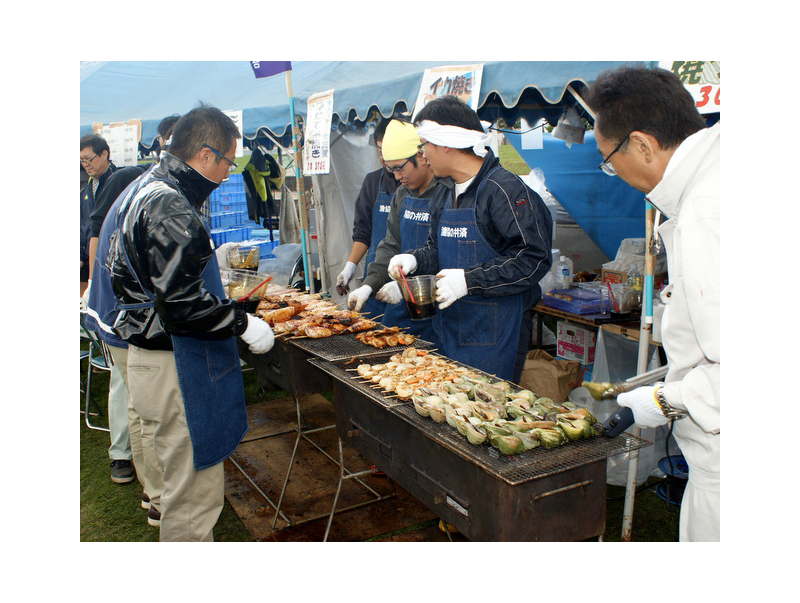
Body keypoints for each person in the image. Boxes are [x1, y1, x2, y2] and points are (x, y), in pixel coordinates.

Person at [108, 104, 275, 541]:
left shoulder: (147, 185)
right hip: (173, 365)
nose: (226, 174)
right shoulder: (170, 205)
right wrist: (242, 324)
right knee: (192, 501)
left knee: (173, 478)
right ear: (205, 155)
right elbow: (180, 309)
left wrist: (204, 262)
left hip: (147, 355)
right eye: (227, 162)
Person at [586, 66, 719, 542]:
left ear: (641, 145)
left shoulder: (708, 209)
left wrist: (663, 400)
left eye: (608, 159)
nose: (613, 172)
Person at [387, 96, 552, 383]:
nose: (423, 155)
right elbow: (436, 249)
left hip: (494, 334)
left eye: (425, 145)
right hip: (449, 327)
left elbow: (533, 258)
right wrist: (416, 258)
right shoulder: (444, 191)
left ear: (447, 144)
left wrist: (468, 281)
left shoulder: (503, 190)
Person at [82, 115, 181, 521]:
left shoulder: (134, 186)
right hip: (124, 321)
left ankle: (151, 493)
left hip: (109, 313)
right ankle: (161, 499)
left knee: (140, 409)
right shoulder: (149, 193)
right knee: (151, 411)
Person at [348, 119, 443, 348]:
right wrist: (368, 285)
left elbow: (445, 255)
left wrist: (406, 287)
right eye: (391, 170)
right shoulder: (402, 195)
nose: (396, 176)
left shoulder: (445, 193)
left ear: (421, 156)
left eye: (400, 168)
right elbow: (390, 246)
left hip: (438, 307)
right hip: (402, 305)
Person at [335, 118, 399, 318]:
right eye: (379, 151)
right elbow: (362, 232)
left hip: (404, 277)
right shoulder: (372, 182)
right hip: (376, 275)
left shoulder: (412, 185)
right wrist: (349, 268)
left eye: (387, 151)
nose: (384, 158)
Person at [80, 134, 116, 295]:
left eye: (89, 159)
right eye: (81, 161)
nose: (85, 165)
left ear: (104, 154)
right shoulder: (87, 186)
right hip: (89, 258)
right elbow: (83, 224)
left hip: (110, 259)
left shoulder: (117, 181)